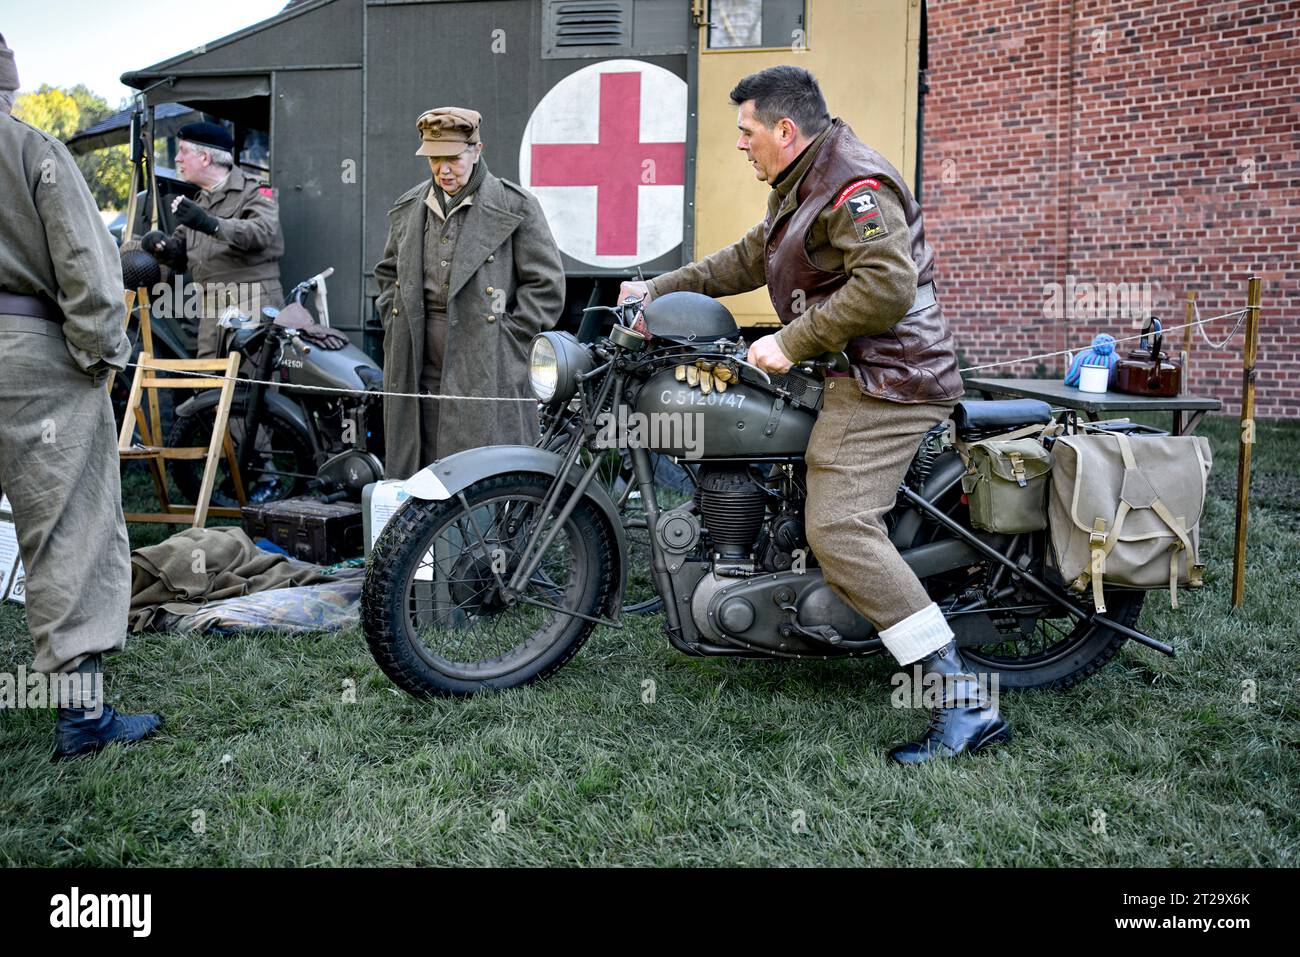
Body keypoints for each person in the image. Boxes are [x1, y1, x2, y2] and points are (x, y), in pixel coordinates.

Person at [620, 66, 1009, 764]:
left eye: (746, 131)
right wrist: (657, 289)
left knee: (838, 525)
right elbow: (745, 259)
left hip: (890, 382)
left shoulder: (855, 185)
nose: (740, 143)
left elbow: (886, 285)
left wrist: (790, 340)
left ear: (784, 129)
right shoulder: (801, 183)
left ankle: (965, 700)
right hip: (846, 370)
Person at [0, 33, 162, 759]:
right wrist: (101, 356)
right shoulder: (33, 151)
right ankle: (81, 715)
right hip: (33, 360)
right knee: (66, 526)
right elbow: (90, 275)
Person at [374, 107, 565, 479]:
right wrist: (394, 322)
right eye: (434, 159)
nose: (443, 170)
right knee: (418, 459)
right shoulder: (409, 206)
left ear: (477, 150)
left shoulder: (516, 207)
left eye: (453, 159)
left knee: (483, 470)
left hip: (486, 362)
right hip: (416, 357)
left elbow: (546, 285)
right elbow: (386, 273)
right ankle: (423, 538)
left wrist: (508, 338)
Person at [142, 122, 284, 358]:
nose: (177, 159)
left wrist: (211, 224)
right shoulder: (201, 201)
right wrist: (162, 247)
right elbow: (181, 254)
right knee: (211, 386)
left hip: (252, 303)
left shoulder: (257, 190)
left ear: (205, 157)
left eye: (183, 151)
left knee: (247, 385)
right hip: (211, 309)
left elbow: (264, 232)